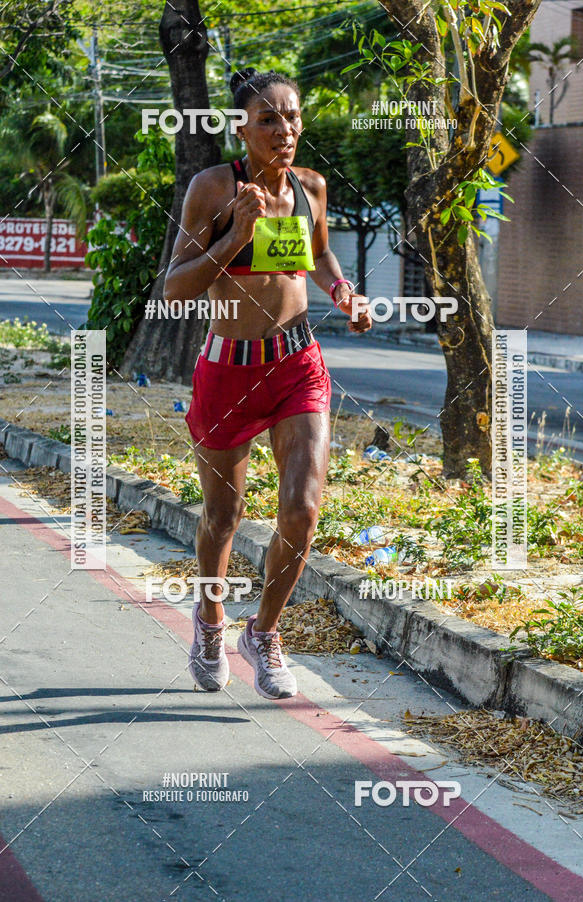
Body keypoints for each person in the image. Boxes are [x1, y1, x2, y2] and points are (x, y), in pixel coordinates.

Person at [164, 67, 371, 700]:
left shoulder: (311, 186)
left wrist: (342, 289)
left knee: (303, 508)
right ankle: (208, 620)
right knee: (223, 517)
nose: (285, 130)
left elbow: (322, 252)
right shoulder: (212, 188)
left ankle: (264, 632)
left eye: (293, 117)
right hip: (228, 368)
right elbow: (176, 285)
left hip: (297, 363)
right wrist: (235, 239)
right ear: (241, 127)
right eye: (269, 120)